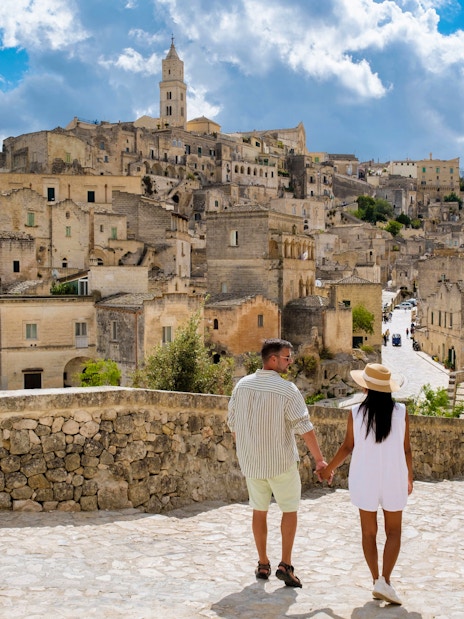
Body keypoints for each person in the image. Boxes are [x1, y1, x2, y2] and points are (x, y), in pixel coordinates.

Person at [228, 338, 327, 588]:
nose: (290, 361)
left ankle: (263, 563)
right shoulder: (287, 390)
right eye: (286, 357)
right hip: (281, 461)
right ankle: (286, 564)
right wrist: (319, 459)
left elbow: (233, 423)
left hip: (252, 462)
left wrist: (246, 449)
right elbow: (305, 427)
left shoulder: (242, 386)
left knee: (259, 510)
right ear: (272, 359)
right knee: (289, 509)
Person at [320, 363, 413, 605]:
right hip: (394, 476)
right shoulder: (401, 412)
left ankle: (376, 580)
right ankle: (386, 580)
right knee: (394, 532)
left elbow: (347, 447)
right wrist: (409, 477)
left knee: (368, 532)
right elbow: (406, 449)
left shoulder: (355, 413)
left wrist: (328, 469)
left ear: (367, 388)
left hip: (365, 477)